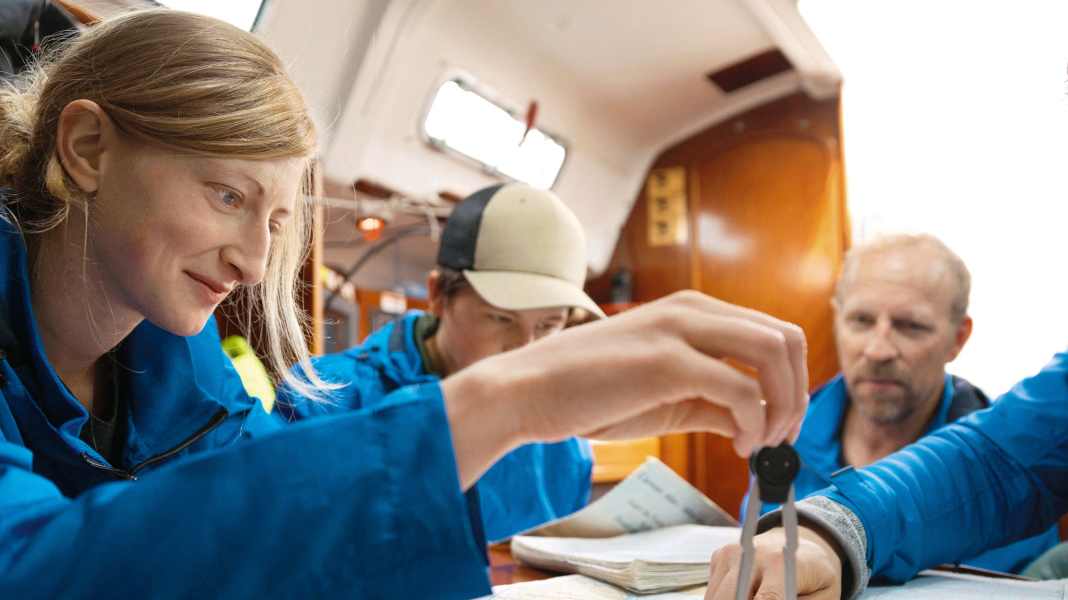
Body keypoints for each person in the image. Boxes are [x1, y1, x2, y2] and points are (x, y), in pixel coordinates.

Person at [0, 9, 810, 599]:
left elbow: (284, 503)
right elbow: (35, 570)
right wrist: (512, 401)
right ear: (88, 148)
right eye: (225, 194)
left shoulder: (185, 374)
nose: (252, 263)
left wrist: (556, 415)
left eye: (276, 222)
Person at [278, 182, 602, 542]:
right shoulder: (322, 396)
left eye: (547, 325)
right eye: (501, 318)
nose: (524, 350)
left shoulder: (564, 442)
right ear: (437, 295)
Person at [738, 234, 1057, 573]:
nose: (878, 350)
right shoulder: (784, 436)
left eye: (910, 327)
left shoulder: (1011, 474)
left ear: (958, 338)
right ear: (836, 319)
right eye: (861, 321)